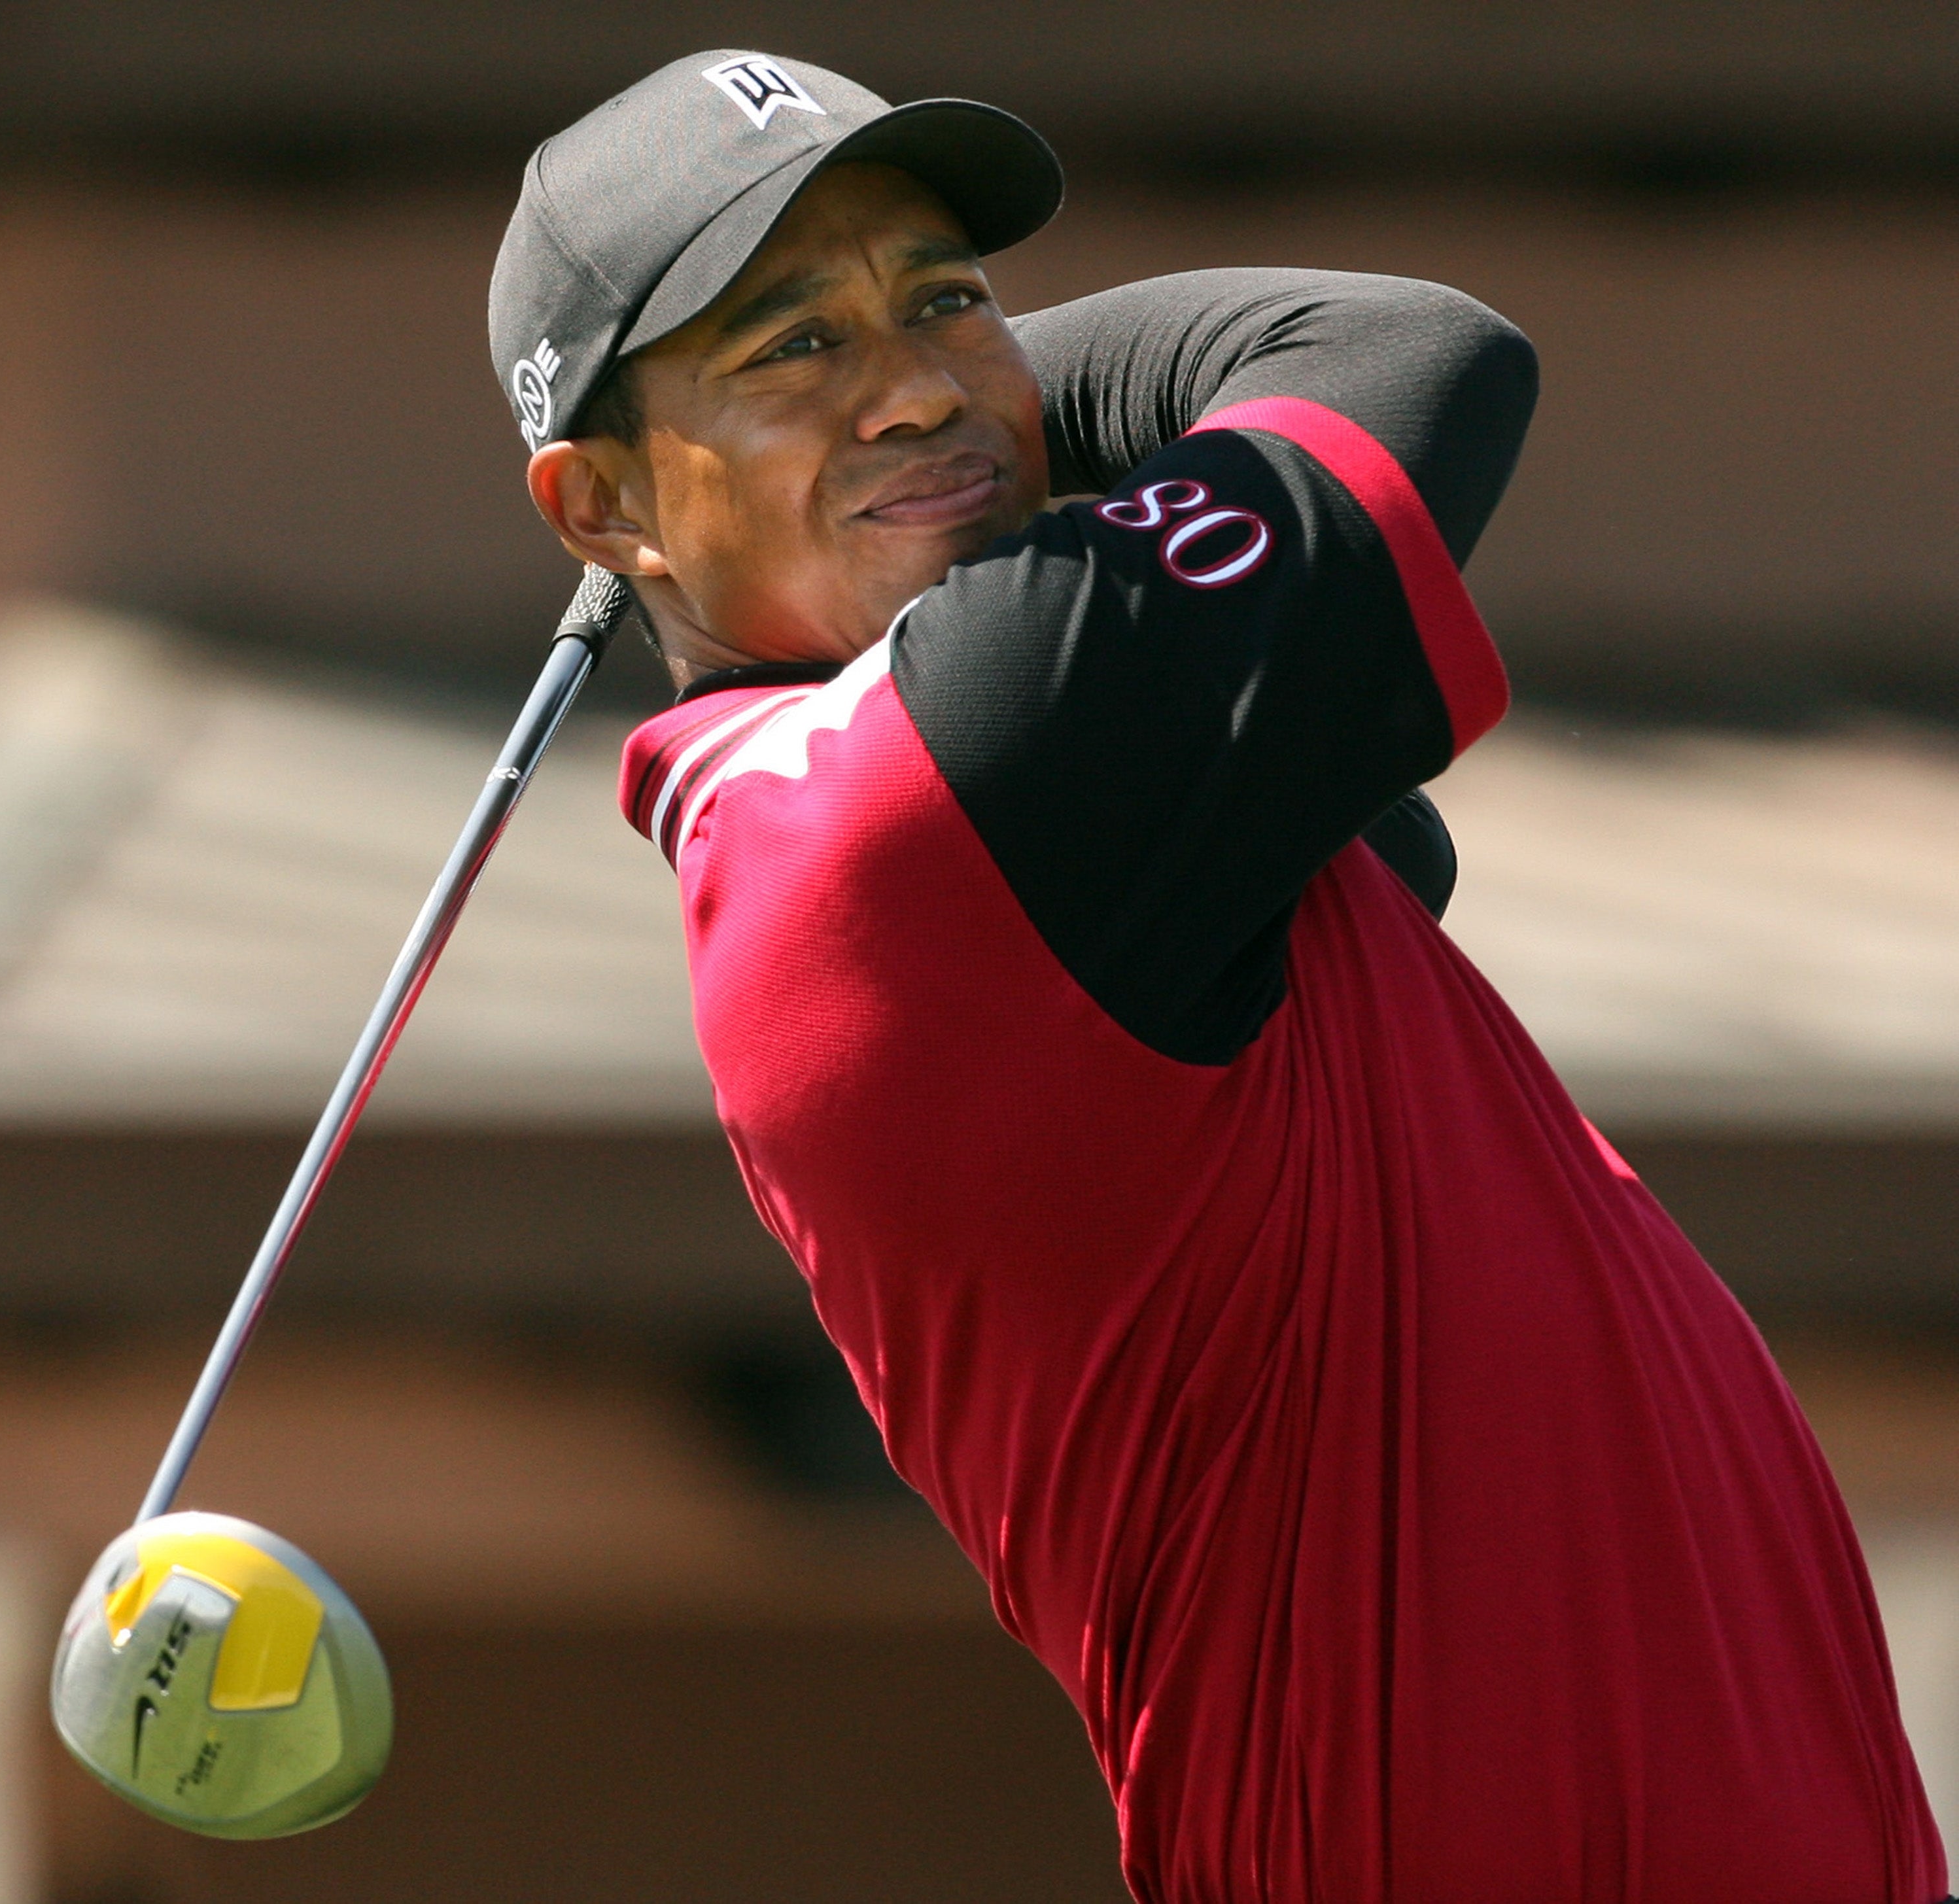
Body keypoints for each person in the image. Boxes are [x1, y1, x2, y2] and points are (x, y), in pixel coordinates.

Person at [491, 50, 1947, 1904]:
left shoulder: (1031, 784)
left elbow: (1384, 849)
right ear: (602, 508)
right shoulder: (936, 783)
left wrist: (955, 409)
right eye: (791, 347)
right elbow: (1406, 351)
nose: (915, 380)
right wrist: (982, 415)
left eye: (948, 299)